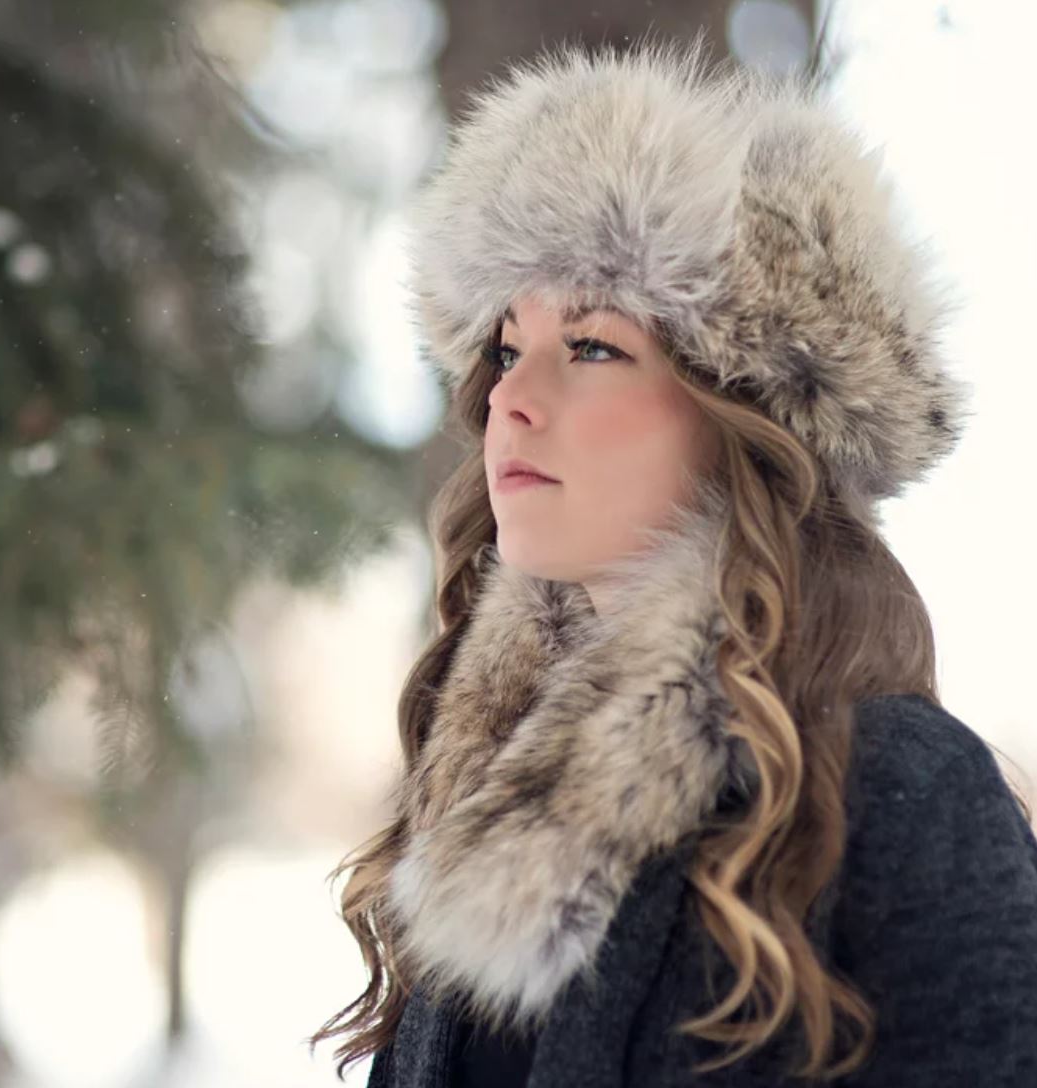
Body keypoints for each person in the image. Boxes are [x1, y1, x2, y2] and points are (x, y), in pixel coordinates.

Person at [306, 35, 1037, 1087]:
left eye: (591, 346)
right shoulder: (479, 793)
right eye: (507, 348)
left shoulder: (907, 793)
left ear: (751, 410)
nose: (510, 395)